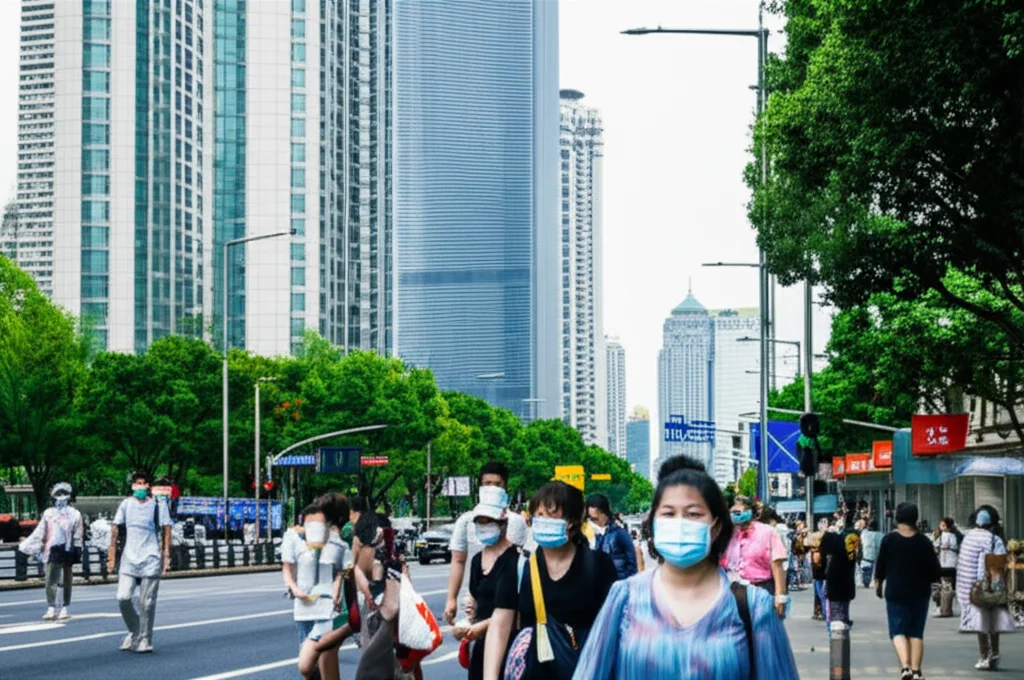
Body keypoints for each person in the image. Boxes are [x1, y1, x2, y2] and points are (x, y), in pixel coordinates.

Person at [571, 455, 798, 680]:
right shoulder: (624, 598)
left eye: (693, 514)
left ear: (716, 526)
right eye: (668, 513)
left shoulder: (753, 607)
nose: (679, 523)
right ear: (654, 523)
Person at [482, 481, 617, 680]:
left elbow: (614, 626)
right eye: (539, 515)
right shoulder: (519, 564)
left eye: (551, 515)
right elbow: (500, 623)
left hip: (587, 671)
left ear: (571, 520)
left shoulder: (598, 565)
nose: (542, 521)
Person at [445, 462, 528, 625]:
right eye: (487, 484)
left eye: (497, 485)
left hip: (503, 599)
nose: (492, 489)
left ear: (506, 488)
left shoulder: (514, 521)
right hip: (471, 600)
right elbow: (458, 560)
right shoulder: (465, 521)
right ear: (480, 487)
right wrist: (451, 599)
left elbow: (512, 563)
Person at [454, 485, 519, 680]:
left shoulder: (516, 560)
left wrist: (481, 627)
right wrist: (465, 622)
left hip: (509, 647)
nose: (483, 526)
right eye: (479, 521)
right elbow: (475, 601)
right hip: (480, 648)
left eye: (488, 521)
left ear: (503, 522)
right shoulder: (477, 561)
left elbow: (514, 614)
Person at [873, 502, 941, 680]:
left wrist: (878, 584)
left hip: (895, 591)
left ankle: (906, 668)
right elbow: (934, 570)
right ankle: (917, 671)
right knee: (916, 632)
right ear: (915, 519)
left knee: (897, 631)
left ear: (897, 518)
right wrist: (936, 586)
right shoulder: (924, 541)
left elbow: (880, 566)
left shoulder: (889, 540)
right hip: (920, 592)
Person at [107, 471, 172, 653]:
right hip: (129, 558)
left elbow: (167, 529)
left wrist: (166, 555)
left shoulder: (158, 505)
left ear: (148, 486)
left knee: (147, 603)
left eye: (144, 483)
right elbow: (115, 528)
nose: (140, 487)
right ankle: (135, 630)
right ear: (133, 486)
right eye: (138, 483)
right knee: (123, 598)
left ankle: (145, 638)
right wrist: (111, 554)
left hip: (150, 557)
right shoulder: (126, 504)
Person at [295, 494, 354, 680]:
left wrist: (338, 583)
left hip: (332, 610)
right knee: (318, 664)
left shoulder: (342, 537)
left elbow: (345, 567)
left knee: (309, 663)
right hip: (310, 604)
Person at [956, 505, 1015, 671]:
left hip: (972, 589)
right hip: (991, 587)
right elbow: (997, 564)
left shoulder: (968, 538)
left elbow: (963, 564)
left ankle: (983, 656)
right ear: (992, 523)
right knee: (993, 621)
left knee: (980, 624)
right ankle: (994, 654)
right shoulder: (994, 539)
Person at [21, 482, 84, 621]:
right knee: (50, 579)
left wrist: (77, 548)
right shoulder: (49, 514)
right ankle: (51, 607)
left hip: (67, 548)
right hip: (52, 549)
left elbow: (78, 533)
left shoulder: (75, 514)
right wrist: (32, 545)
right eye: (58, 494)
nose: (61, 497)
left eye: (64, 494)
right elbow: (41, 531)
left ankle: (65, 607)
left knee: (66, 579)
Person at [722, 496, 788, 614]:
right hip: (734, 590)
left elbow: (777, 565)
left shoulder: (767, 532)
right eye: (733, 511)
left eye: (740, 511)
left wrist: (780, 596)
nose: (736, 515)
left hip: (761, 589)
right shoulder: (729, 534)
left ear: (751, 511)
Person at [586, 493, 638, 580]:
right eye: (591, 519)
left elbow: (632, 564)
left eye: (595, 518)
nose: (593, 522)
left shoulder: (620, 533)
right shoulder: (597, 536)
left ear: (604, 513)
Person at [819, 520, 858, 631]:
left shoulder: (834, 561)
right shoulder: (848, 555)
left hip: (835, 591)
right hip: (846, 591)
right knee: (843, 615)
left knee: (836, 620)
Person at [931, 517, 959, 617]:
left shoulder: (952, 536)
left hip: (949, 563)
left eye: (943, 525)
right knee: (941, 586)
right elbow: (934, 544)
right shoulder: (938, 534)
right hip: (942, 562)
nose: (940, 526)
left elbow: (955, 547)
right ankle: (942, 607)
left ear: (948, 526)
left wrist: (947, 547)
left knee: (946, 586)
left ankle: (945, 608)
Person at [859, 519, 883, 588]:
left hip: (866, 559)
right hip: (877, 559)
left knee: (866, 578)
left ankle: (867, 581)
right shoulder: (881, 535)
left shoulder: (864, 534)